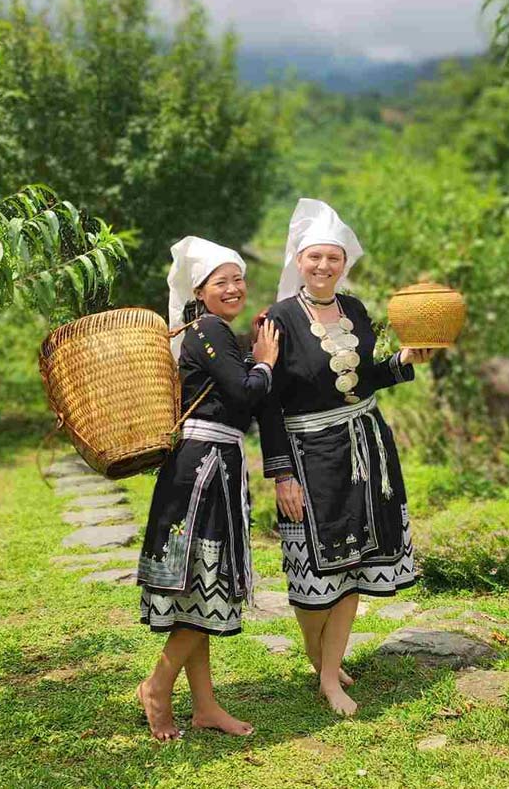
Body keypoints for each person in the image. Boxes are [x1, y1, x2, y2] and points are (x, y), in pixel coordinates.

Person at [259, 199, 432, 716]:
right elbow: (268, 403)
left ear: (343, 263)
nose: (323, 267)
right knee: (311, 572)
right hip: (310, 457)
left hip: (365, 449)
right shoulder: (278, 320)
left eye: (333, 259)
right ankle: (320, 657)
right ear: (298, 259)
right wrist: (281, 472)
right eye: (314, 258)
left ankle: (330, 675)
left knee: (352, 566)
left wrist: (400, 361)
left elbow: (365, 378)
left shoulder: (355, 310)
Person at [137, 236, 279, 740]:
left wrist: (254, 348)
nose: (235, 288)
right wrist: (263, 361)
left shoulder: (212, 332)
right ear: (200, 290)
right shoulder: (208, 328)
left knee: (198, 590)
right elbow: (245, 392)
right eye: (223, 281)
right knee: (203, 589)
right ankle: (157, 686)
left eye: (238, 278)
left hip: (206, 464)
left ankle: (204, 706)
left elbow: (235, 392)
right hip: (204, 469)